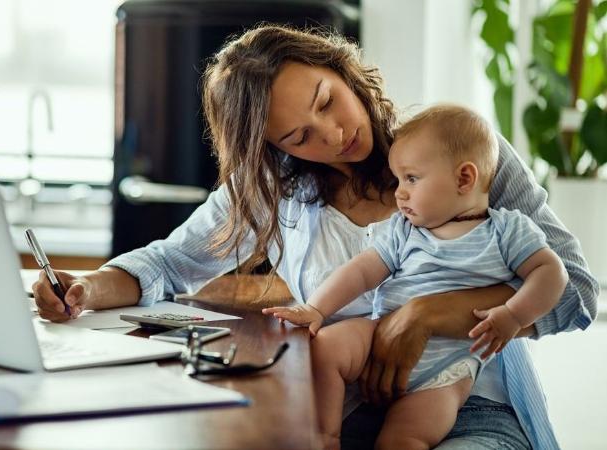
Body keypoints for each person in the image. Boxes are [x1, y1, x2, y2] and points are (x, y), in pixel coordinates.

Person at [32, 25, 598, 449]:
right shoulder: (275, 190)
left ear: (344, 69)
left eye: (328, 101)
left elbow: (576, 295)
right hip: (336, 407)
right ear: (276, 148)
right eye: (300, 135)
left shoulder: (461, 153)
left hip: (465, 404)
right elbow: (170, 263)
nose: (334, 135)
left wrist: (425, 314)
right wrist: (86, 287)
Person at [262, 104, 569, 449]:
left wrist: (514, 315)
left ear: (464, 178)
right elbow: (363, 270)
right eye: (398, 180)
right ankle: (324, 438)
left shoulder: (506, 231)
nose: (399, 193)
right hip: (382, 334)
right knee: (326, 348)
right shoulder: (406, 230)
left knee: (402, 439)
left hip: (447, 371)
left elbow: (553, 272)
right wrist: (316, 309)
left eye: (411, 179)